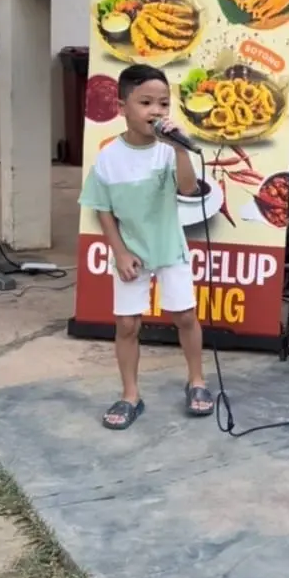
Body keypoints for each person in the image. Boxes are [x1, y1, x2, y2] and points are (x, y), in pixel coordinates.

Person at [79, 63, 214, 430]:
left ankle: (197, 380)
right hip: (131, 252)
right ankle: (130, 395)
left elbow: (188, 189)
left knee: (185, 316)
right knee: (127, 324)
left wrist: (180, 150)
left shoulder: (167, 151)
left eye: (163, 103)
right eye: (146, 103)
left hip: (169, 247)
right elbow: (102, 208)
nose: (156, 111)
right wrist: (120, 252)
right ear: (122, 107)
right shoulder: (109, 157)